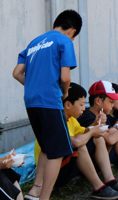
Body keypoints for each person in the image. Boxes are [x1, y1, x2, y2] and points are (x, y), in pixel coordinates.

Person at [12, 10, 82, 200]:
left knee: (46, 147)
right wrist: (65, 92)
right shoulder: (64, 41)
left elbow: (17, 73)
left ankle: (35, 190)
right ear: (72, 32)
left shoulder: (34, 43)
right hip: (50, 101)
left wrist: (35, 86)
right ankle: (44, 197)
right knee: (57, 152)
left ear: (56, 24)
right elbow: (65, 77)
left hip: (31, 101)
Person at [34, 82, 118, 199]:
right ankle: (98, 187)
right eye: (81, 104)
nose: (83, 108)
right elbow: (75, 142)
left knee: (98, 138)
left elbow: (84, 131)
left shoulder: (71, 120)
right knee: (80, 145)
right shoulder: (57, 121)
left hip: (65, 166)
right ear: (68, 105)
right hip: (52, 173)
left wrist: (95, 124)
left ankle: (110, 180)